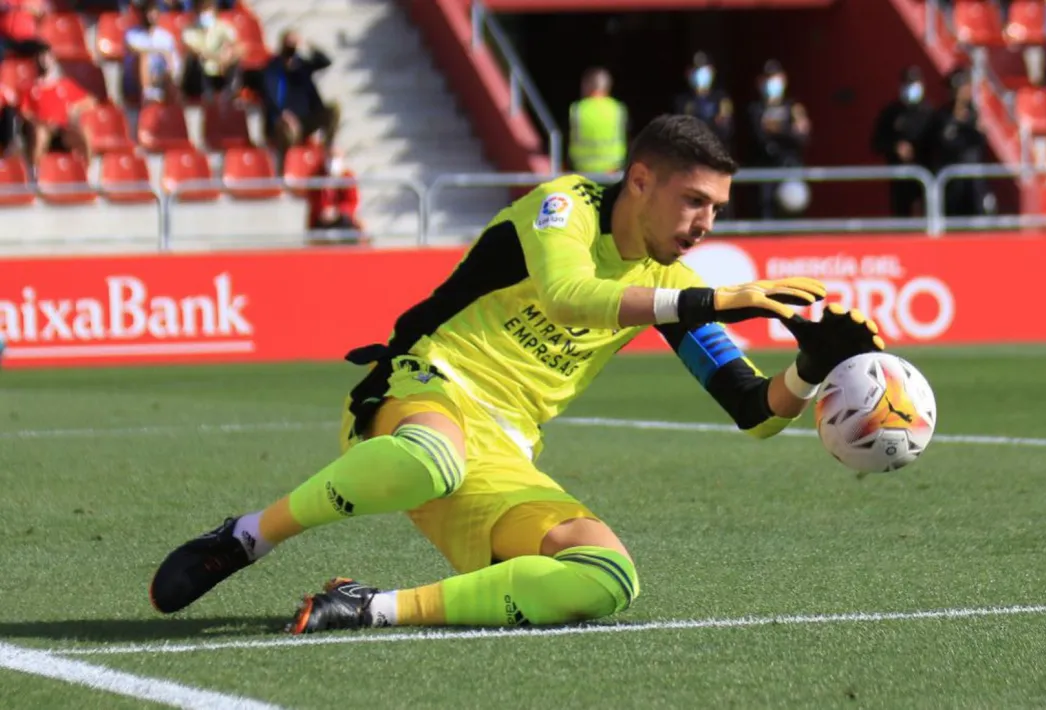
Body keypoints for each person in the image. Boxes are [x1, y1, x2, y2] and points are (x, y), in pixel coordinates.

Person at [149, 115, 885, 633]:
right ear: (639, 181)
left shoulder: (672, 284)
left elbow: (753, 410)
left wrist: (811, 368)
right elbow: (573, 296)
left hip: (504, 450)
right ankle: (247, 537)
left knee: (606, 578)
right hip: (424, 386)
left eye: (717, 209)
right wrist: (725, 296)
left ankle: (369, 607)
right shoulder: (563, 208)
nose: (705, 224)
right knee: (433, 458)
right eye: (694, 201)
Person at [261, 29, 339, 167]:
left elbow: (325, 61)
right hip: (283, 122)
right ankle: (288, 167)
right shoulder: (272, 68)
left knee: (334, 109)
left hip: (306, 119)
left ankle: (327, 148)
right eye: (289, 43)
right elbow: (270, 96)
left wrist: (309, 45)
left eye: (294, 44)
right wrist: (283, 114)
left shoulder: (302, 65)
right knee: (288, 131)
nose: (291, 48)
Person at [747, 59, 811, 219]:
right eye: (768, 78)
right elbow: (759, 138)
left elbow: (802, 138)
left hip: (791, 168)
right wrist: (787, 130)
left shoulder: (794, 108)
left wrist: (776, 129)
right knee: (766, 214)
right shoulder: (756, 109)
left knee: (793, 211)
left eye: (775, 77)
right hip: (766, 170)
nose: (771, 83)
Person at [872, 66, 937, 218]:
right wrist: (895, 147)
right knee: (902, 216)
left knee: (925, 215)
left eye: (913, 83)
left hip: (925, 173)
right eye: (907, 83)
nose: (910, 88)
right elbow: (876, 142)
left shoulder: (930, 113)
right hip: (899, 178)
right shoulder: (891, 113)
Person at [933, 70, 994, 217]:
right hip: (952, 181)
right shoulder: (942, 117)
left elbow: (979, 141)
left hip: (974, 181)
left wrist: (976, 129)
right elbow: (944, 143)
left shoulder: (975, 115)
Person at [567, 67, 628, 174]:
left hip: (583, 172)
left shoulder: (577, 110)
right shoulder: (618, 109)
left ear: (586, 86)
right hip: (612, 173)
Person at [675, 52, 734, 152]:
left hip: (716, 153)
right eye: (697, 70)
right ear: (689, 73)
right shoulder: (683, 101)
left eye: (704, 70)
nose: (701, 75)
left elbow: (726, 129)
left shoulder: (721, 99)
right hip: (692, 154)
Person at [306, 148, 365, 245]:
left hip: (342, 218)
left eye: (336, 157)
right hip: (322, 219)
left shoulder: (348, 176)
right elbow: (314, 201)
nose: (333, 160)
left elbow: (352, 202)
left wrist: (337, 211)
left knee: (351, 227)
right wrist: (325, 210)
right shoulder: (317, 176)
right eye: (330, 156)